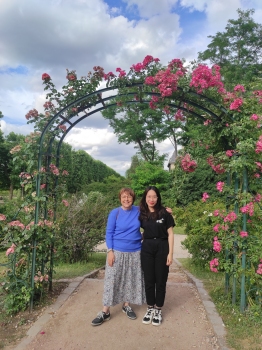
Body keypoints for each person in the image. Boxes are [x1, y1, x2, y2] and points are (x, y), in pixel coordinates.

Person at [91, 187, 146, 326]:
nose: (126, 199)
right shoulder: (114, 213)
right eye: (124, 197)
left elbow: (153, 214)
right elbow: (109, 233)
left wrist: (165, 211)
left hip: (135, 252)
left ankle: (126, 305)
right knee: (112, 280)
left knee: (129, 279)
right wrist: (110, 251)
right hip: (117, 252)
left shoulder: (139, 211)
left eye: (129, 197)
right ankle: (105, 311)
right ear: (120, 198)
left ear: (133, 198)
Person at [139, 186, 175, 326]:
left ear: (158, 197)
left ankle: (158, 309)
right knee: (149, 280)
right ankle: (150, 308)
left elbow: (171, 234)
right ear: (145, 198)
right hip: (147, 247)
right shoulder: (141, 213)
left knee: (160, 280)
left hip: (162, 247)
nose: (151, 199)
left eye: (154, 196)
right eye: (149, 196)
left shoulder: (165, 213)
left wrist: (170, 253)